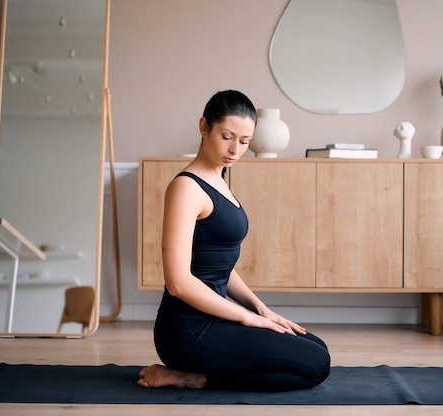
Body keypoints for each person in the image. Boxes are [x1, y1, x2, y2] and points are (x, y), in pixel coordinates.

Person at [137, 90, 331, 391]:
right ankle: (188, 376)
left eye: (244, 142)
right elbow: (178, 282)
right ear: (204, 127)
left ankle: (197, 373)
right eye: (227, 136)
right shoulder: (186, 188)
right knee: (315, 366)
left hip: (218, 317)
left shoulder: (220, 180)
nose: (235, 149)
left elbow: (219, 266)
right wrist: (247, 318)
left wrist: (262, 310)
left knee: (316, 348)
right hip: (188, 329)